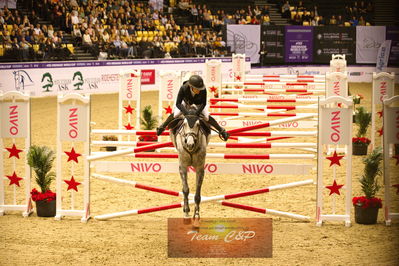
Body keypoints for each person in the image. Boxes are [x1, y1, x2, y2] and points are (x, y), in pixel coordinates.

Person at [156, 75, 230, 141]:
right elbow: (178, 103)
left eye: (200, 88)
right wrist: (186, 112)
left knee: (206, 117)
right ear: (191, 87)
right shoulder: (183, 88)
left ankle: (222, 131)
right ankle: (162, 127)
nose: (199, 90)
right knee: (176, 114)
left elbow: (203, 103)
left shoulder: (203, 90)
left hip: (199, 104)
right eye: (197, 88)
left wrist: (197, 113)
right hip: (185, 102)